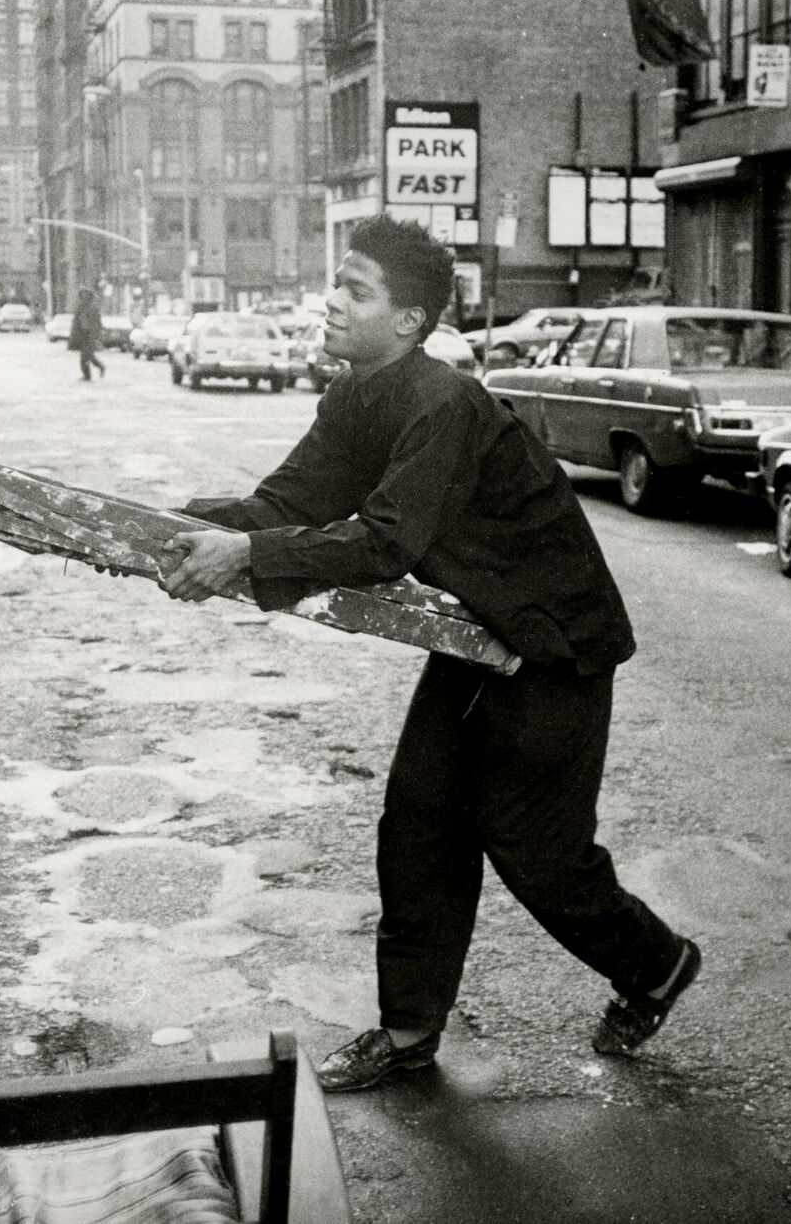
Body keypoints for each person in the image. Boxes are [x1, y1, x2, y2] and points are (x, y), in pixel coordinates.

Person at [158, 216, 701, 1092]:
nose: (332, 301)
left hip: (553, 647)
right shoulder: (354, 399)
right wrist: (178, 526)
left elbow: (385, 542)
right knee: (419, 824)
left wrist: (247, 559)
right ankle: (408, 1032)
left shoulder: (442, 403)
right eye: (336, 281)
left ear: (408, 322)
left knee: (539, 853)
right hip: (479, 643)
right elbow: (285, 503)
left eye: (357, 289)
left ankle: (658, 963)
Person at [68, 287, 105, 380]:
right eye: (82, 295)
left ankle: (88, 375)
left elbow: (92, 322)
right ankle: (96, 369)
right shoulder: (82, 306)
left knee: (85, 357)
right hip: (83, 336)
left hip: (87, 336)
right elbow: (78, 322)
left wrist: (91, 333)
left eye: (85, 295)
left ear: (89, 297)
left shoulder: (91, 308)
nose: (83, 297)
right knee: (89, 356)